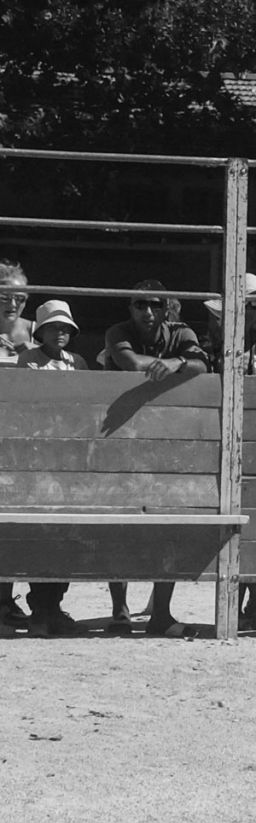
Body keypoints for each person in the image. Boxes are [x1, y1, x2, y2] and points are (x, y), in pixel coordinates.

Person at [104, 280, 209, 637]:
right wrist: (177, 364)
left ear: (166, 307)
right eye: (140, 305)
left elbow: (202, 366)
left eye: (155, 304)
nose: (147, 311)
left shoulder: (180, 332)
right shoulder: (118, 331)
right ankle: (120, 610)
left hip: (169, 434)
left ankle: (159, 613)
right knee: (117, 521)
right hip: (117, 434)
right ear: (130, 308)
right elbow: (130, 362)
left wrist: (178, 361)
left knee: (169, 520)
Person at [204, 273, 256, 630]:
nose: (246, 312)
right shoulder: (208, 345)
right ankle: (231, 605)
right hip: (214, 438)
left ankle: (254, 608)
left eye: (252, 306)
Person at [10, 300, 88, 636]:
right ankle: (42, 609)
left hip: (68, 460)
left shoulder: (79, 362)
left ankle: (50, 606)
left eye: (65, 327)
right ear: (40, 331)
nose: (61, 332)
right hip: (38, 457)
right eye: (54, 327)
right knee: (41, 532)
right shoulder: (28, 362)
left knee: (64, 533)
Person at [0, 261, 34, 628]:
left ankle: (6, 600)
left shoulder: (37, 331)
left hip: (22, 434)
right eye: (5, 295)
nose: (13, 303)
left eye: (19, 296)